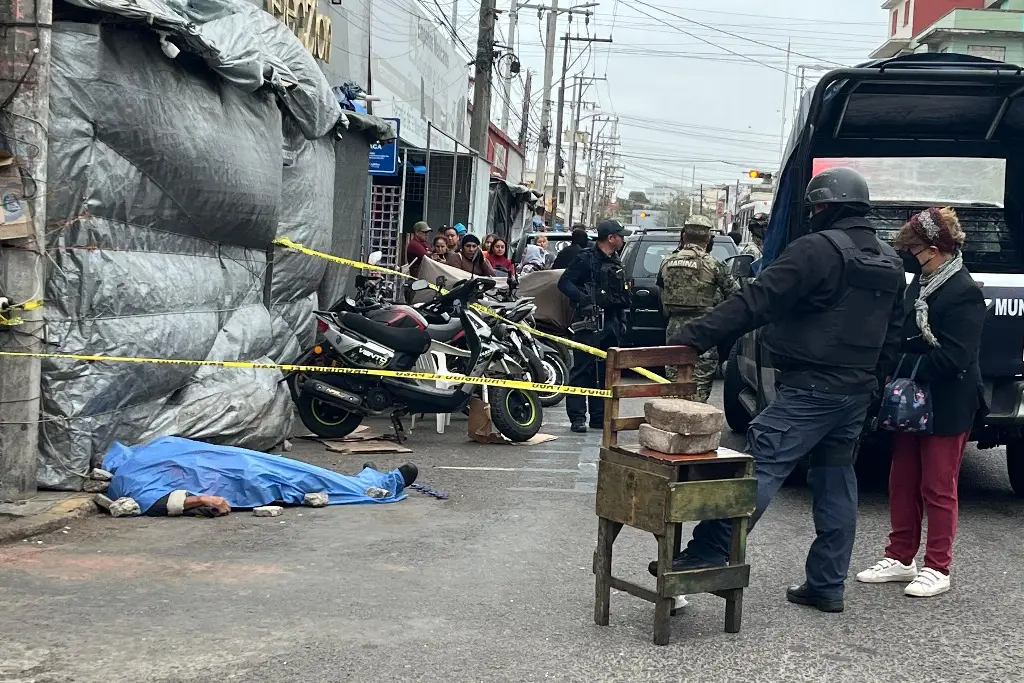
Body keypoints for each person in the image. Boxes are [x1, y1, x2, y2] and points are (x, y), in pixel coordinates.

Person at [652, 167, 906, 613]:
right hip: (856, 391)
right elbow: (895, 332)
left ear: (824, 207)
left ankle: (707, 553)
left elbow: (757, 300)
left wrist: (696, 335)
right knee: (836, 483)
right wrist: (873, 383)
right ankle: (826, 585)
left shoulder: (815, 250)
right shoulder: (888, 259)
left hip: (811, 387)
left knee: (759, 468)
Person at [856, 207, 986, 598]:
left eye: (916, 252)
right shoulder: (921, 283)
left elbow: (955, 358)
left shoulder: (965, 293)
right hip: (913, 401)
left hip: (948, 402)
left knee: (938, 486)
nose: (911, 258)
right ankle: (900, 557)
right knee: (902, 479)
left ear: (935, 248)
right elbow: (901, 330)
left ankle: (937, 566)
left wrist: (901, 366)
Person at [558, 219, 631, 433]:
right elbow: (564, 283)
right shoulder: (585, 258)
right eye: (620, 235)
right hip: (589, 322)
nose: (623, 239)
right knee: (583, 370)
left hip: (611, 322)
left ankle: (598, 416)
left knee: (604, 370)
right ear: (611, 238)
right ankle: (578, 417)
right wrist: (584, 300)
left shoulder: (616, 259)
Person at [658, 215, 738, 401]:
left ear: (683, 236)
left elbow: (661, 295)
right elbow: (735, 296)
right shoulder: (715, 265)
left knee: (674, 383)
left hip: (674, 329)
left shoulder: (667, 262)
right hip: (705, 328)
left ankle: (674, 422)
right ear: (708, 239)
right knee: (699, 387)